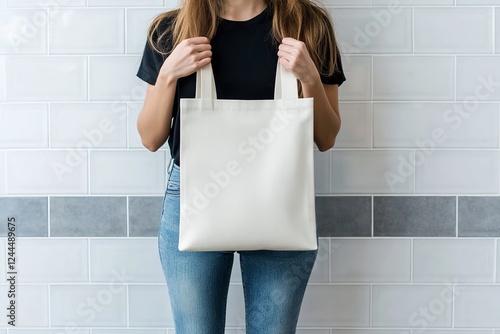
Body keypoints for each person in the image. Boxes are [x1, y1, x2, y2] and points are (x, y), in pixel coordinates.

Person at [136, 0, 346, 332]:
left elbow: (326, 137)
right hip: (194, 196)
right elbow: (150, 138)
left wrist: (310, 79)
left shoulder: (310, 27)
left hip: (279, 197)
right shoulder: (171, 31)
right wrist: (168, 74)